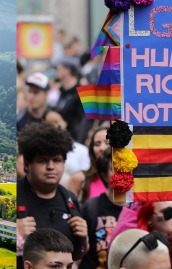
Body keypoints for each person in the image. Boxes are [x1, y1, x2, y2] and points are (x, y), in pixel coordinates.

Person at [17, 122, 89, 269]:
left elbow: (74, 258)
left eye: (57, 160)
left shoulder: (69, 199)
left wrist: (83, 241)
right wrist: (11, 234)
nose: (51, 166)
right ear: (26, 164)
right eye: (42, 160)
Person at [80, 149, 126, 269]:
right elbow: (76, 255)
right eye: (115, 169)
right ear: (104, 175)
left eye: (126, 167)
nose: (122, 173)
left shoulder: (139, 209)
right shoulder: (91, 208)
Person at [43, 110, 91, 187]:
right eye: (49, 123)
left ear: (65, 122)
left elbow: (87, 177)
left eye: (56, 122)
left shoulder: (82, 150)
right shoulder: (38, 150)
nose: (53, 127)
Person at [67, 127, 109, 203]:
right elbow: (68, 211)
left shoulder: (128, 179)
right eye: (97, 144)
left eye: (107, 143)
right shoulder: (79, 179)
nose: (102, 148)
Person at [55, 57, 92, 144]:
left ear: (67, 71)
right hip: (62, 141)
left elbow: (85, 122)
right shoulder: (62, 92)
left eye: (59, 69)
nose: (56, 72)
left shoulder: (82, 92)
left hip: (75, 142)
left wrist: (78, 143)